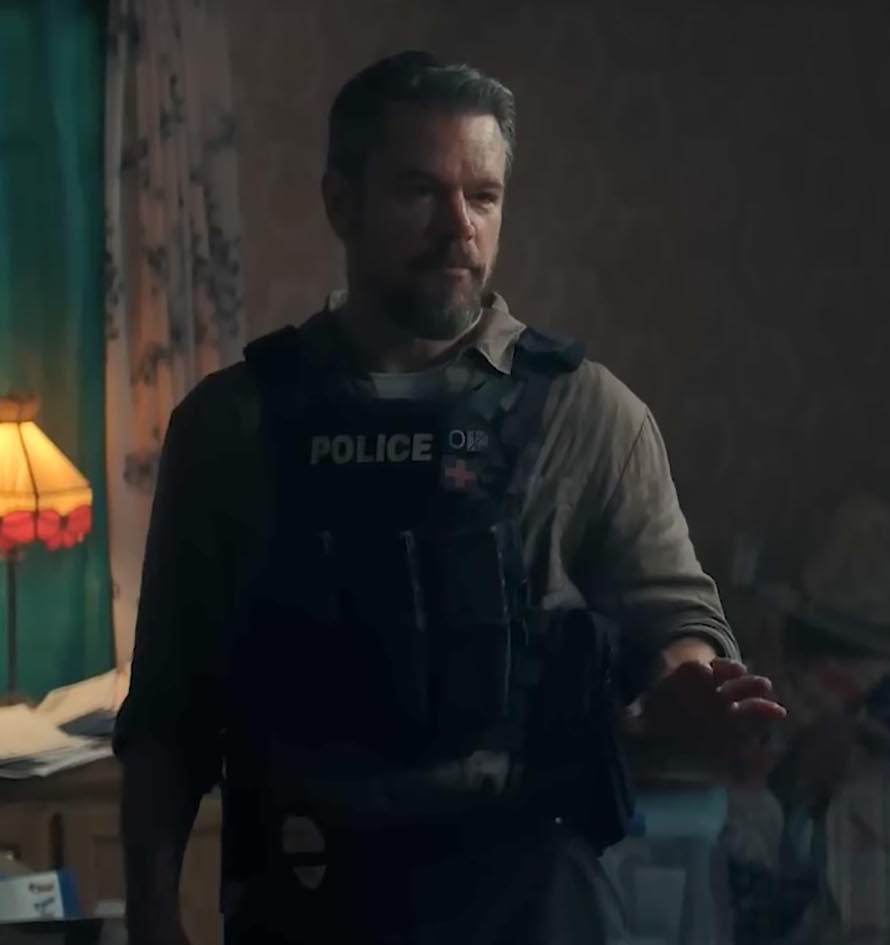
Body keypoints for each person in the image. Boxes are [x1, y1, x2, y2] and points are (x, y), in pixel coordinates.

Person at [114, 50, 786, 945]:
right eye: (418, 193)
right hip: (312, 896)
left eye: (483, 196)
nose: (457, 228)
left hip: (532, 898)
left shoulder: (586, 414)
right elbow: (166, 714)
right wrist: (152, 913)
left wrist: (688, 686)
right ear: (341, 203)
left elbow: (678, 621)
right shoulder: (230, 426)